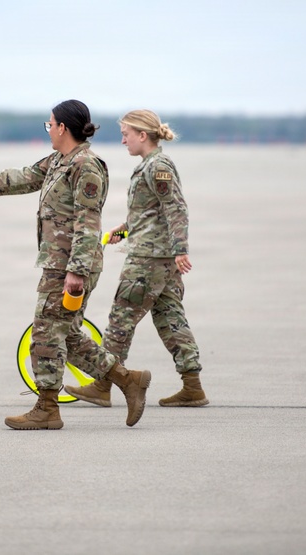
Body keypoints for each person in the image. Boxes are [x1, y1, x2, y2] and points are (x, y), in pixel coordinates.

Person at [0, 100, 152, 430]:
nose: (48, 130)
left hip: (70, 265)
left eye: (50, 125)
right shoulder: (61, 160)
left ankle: (47, 408)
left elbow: (88, 221)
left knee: (46, 333)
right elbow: (27, 176)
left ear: (63, 127)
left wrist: (76, 270)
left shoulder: (86, 166)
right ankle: (128, 380)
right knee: (67, 335)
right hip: (60, 262)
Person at [65, 109, 209, 408]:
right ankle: (192, 386)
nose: (123, 141)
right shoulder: (150, 165)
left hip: (148, 258)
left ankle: (103, 385)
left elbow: (175, 208)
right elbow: (150, 212)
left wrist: (181, 249)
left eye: (126, 135)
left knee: (121, 319)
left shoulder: (158, 166)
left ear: (142, 135)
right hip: (158, 256)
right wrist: (123, 230)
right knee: (170, 319)